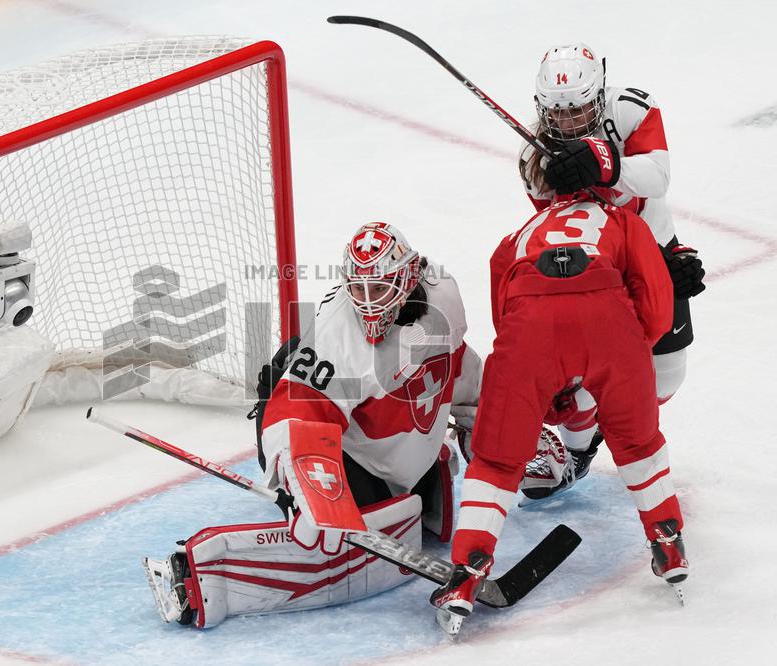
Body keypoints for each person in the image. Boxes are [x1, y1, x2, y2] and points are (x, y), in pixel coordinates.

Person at [142, 222, 484, 628]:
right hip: (330, 438)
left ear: (409, 278)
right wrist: (317, 494)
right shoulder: (339, 333)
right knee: (330, 529)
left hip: (382, 437)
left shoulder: (443, 294)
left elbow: (456, 363)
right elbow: (298, 412)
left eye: (379, 288)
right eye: (358, 289)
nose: (368, 303)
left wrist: (481, 420)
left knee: (408, 499)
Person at [433, 193, 689, 636]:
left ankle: (466, 573)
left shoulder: (515, 237)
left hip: (531, 324)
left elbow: (507, 320)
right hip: (609, 319)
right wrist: (623, 353)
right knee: (639, 445)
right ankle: (668, 544)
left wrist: (550, 383)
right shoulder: (622, 220)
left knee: (496, 460)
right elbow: (656, 308)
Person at [516, 42, 705, 500]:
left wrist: (604, 163)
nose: (567, 123)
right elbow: (564, 229)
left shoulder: (631, 109)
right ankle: (578, 449)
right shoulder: (533, 156)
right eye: (557, 114)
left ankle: (606, 422)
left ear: (599, 94)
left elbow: (657, 175)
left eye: (578, 110)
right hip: (595, 269)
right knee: (582, 378)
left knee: (668, 374)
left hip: (656, 246)